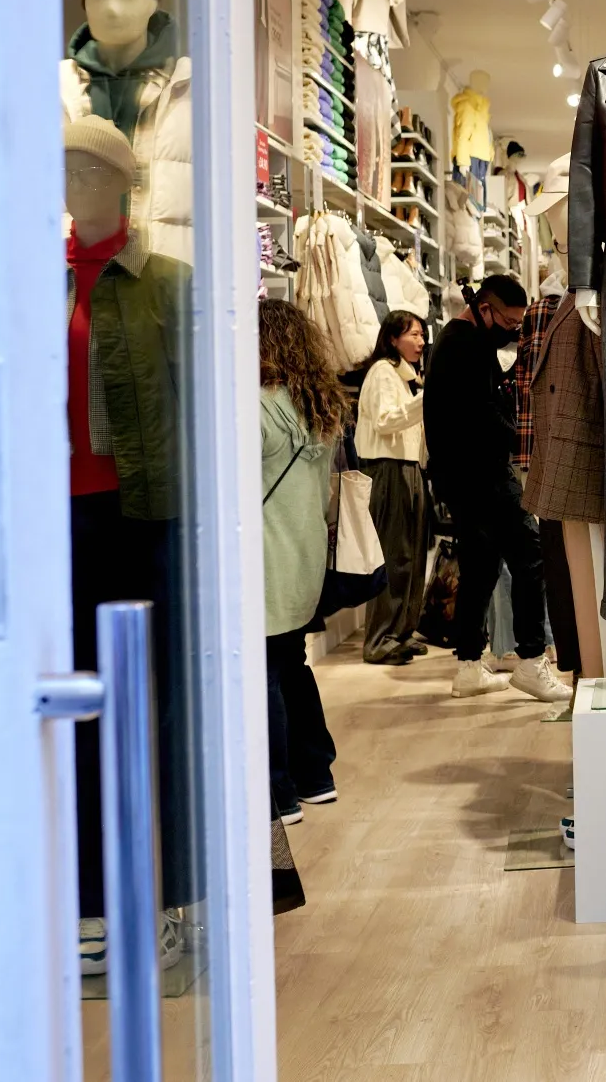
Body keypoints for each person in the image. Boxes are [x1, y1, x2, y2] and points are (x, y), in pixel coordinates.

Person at [423, 274, 570, 702]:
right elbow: (483, 416)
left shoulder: (457, 341)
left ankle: (469, 666)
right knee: (530, 554)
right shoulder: (466, 346)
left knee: (482, 567)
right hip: (480, 474)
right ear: (484, 309)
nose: (512, 329)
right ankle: (529, 660)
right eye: (508, 320)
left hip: (461, 476)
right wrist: (523, 439)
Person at [259, 299, 347, 825]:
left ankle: (279, 792)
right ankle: (317, 776)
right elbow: (324, 498)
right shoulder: (318, 405)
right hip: (304, 553)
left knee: (266, 673)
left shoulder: (255, 407)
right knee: (292, 663)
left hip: (264, 555)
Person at [356, 310, 431, 665]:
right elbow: (386, 422)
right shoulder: (382, 372)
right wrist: (427, 397)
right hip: (388, 469)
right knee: (393, 555)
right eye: (412, 335)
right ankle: (380, 639)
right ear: (391, 339)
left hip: (408, 468)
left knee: (412, 556)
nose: (420, 342)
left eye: (421, 335)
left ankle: (400, 631)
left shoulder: (404, 377)